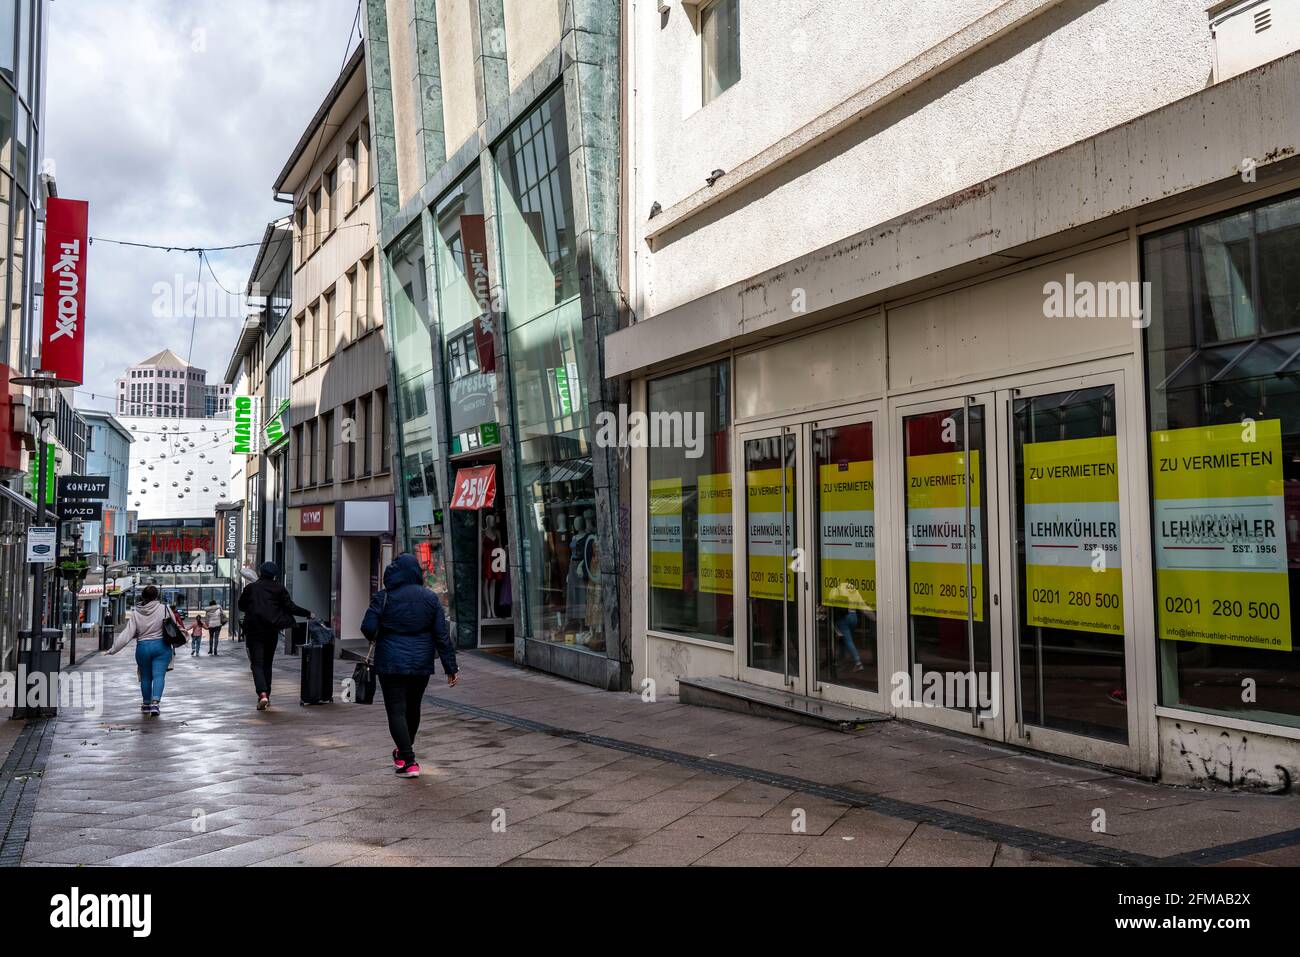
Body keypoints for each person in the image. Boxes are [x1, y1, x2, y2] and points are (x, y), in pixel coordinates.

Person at [361, 553, 458, 778]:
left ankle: (409, 760)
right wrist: (450, 667)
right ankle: (404, 752)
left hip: (390, 662)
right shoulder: (430, 598)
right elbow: (441, 636)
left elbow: (367, 626)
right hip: (421, 662)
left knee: (396, 710)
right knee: (413, 708)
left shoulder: (383, 597)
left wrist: (380, 636)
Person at [238, 561, 313, 710]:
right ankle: (268, 695)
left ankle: (262, 694)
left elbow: (241, 606)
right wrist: (308, 613)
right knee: (267, 663)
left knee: (256, 664)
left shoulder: (250, 588)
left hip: (254, 631)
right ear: (275, 575)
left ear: (260, 572)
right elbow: (290, 607)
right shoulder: (279, 589)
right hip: (271, 631)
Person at [108, 585, 177, 716]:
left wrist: (113, 649)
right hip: (161, 646)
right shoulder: (164, 609)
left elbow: (127, 633)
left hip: (143, 648)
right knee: (158, 676)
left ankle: (146, 704)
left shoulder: (136, 612)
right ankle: (155, 704)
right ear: (157, 596)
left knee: (145, 677)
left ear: (143, 597)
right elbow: (173, 626)